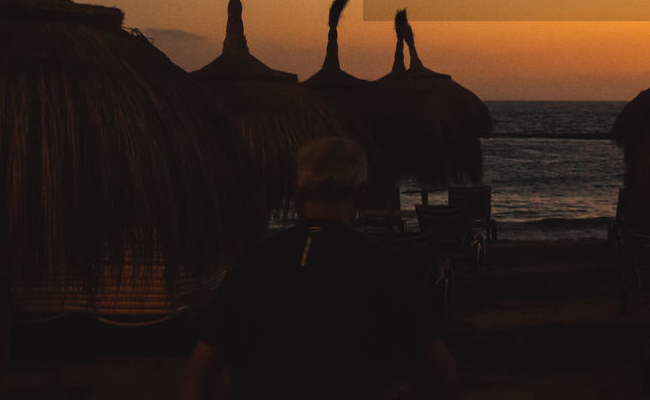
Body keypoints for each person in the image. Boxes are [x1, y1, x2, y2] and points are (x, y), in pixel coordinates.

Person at [181, 137, 460, 399]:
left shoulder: (256, 261)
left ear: (298, 192)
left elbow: (202, 366)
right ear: (361, 193)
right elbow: (440, 370)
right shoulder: (386, 264)